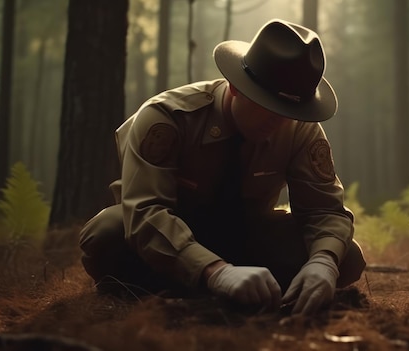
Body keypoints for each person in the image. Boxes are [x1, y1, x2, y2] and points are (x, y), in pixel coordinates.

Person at [79, 19, 366, 316]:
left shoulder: (298, 128)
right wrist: (215, 271)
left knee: (346, 256)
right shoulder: (168, 118)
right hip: (173, 236)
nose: (278, 121)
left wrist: (323, 263)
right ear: (235, 88)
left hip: (247, 235)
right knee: (107, 233)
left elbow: (325, 211)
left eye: (290, 112)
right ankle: (191, 287)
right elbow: (146, 213)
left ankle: (214, 290)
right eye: (268, 106)